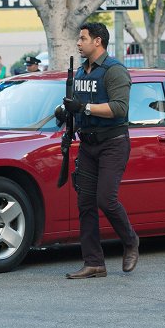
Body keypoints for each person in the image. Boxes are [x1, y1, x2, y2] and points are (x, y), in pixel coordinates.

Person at [62, 22, 139, 279]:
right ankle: (94, 263)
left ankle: (130, 242)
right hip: (88, 144)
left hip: (113, 143)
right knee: (85, 204)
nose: (78, 42)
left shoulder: (114, 71)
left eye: (82, 38)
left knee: (106, 199)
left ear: (98, 41)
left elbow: (119, 109)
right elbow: (80, 106)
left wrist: (83, 108)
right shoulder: (82, 72)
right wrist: (66, 112)